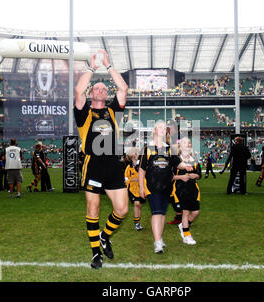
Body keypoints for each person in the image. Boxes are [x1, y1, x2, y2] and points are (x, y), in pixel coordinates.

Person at [74, 49, 129, 269]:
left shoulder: (113, 110)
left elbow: (123, 88)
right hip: (94, 165)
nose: (101, 89)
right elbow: (78, 90)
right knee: (93, 209)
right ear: (91, 93)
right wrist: (92, 67)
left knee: (122, 210)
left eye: (104, 88)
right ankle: (96, 253)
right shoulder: (84, 112)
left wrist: (109, 66)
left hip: (115, 164)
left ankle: (104, 236)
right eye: (97, 87)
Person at [139, 121, 190, 254]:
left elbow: (178, 163)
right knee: (156, 213)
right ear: (155, 130)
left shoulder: (169, 148)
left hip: (166, 186)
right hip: (152, 186)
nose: (163, 129)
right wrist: (141, 187)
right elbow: (142, 170)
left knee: (162, 214)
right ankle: (157, 243)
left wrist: (187, 166)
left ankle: (160, 238)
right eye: (160, 127)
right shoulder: (147, 148)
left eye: (164, 128)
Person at [173, 138, 202, 245]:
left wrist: (196, 175)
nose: (188, 144)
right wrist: (181, 177)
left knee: (195, 212)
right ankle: (187, 235)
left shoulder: (194, 159)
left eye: (189, 142)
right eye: (185, 142)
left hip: (193, 189)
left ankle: (183, 225)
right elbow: (170, 176)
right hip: (180, 189)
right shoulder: (176, 159)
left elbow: (199, 174)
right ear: (180, 146)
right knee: (185, 211)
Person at [124, 147, 145, 231]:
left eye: (137, 153)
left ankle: (138, 221)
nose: (137, 155)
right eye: (135, 153)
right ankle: (137, 224)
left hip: (142, 188)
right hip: (132, 189)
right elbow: (125, 179)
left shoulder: (142, 165)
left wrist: (140, 179)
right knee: (136, 204)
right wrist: (131, 180)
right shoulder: (128, 167)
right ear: (131, 155)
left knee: (139, 205)